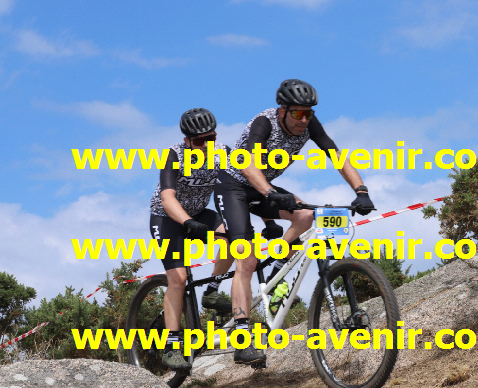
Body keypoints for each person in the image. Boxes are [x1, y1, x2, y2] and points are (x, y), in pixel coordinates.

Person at [214, 79, 375, 365]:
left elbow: (337, 156)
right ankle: (241, 338)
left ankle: (276, 274)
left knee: (305, 215)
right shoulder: (264, 123)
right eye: (298, 113)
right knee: (246, 260)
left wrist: (361, 191)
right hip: (233, 187)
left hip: (263, 187)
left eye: (308, 113)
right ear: (282, 111)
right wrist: (270, 193)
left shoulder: (309, 124)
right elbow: (248, 165)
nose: (304, 120)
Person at [149, 108, 235, 370]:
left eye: (211, 138)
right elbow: (167, 198)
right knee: (178, 279)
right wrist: (186, 222)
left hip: (198, 213)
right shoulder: (174, 155)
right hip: (167, 218)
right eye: (199, 141)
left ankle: (212, 292)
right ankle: (171, 346)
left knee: (233, 237)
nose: (206, 145)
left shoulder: (223, 153)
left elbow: (239, 184)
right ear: (187, 141)